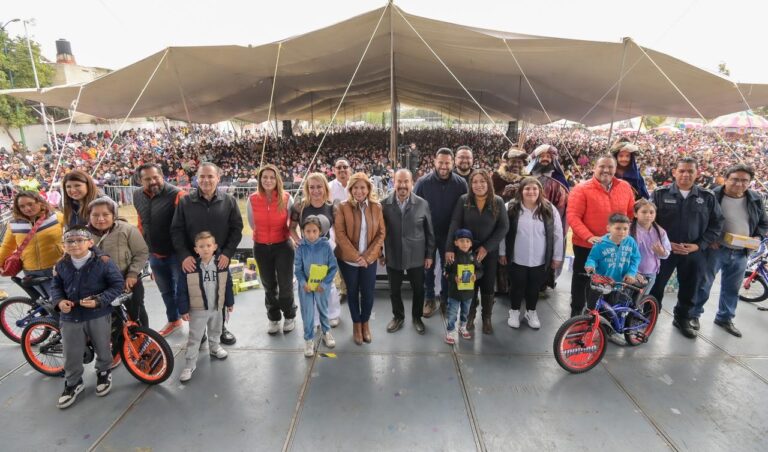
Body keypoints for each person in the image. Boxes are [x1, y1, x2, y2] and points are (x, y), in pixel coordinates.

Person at [689, 164, 768, 337]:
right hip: (715, 249)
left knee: (732, 288)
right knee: (703, 284)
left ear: (750, 182)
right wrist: (711, 239)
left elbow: (763, 223)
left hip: (741, 251)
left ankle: (725, 317)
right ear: (726, 179)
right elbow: (700, 221)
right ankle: (693, 315)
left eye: (744, 180)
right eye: (735, 179)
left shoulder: (755, 198)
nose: (739, 184)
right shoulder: (712, 196)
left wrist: (758, 237)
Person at [50, 226, 124, 409]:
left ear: (90, 243)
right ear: (64, 245)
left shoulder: (104, 262)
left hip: (98, 314)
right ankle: (73, 382)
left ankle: (104, 372)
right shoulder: (61, 265)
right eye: (69, 241)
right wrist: (59, 302)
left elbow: (117, 285)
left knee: (103, 346)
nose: (74, 244)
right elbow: (56, 287)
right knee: (71, 352)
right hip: (71, 317)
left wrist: (100, 300)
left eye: (79, 240)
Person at [650, 157, 723, 339]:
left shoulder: (707, 197)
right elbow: (648, 222)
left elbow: (717, 225)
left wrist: (698, 245)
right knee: (656, 285)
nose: (685, 174)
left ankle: (682, 318)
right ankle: (648, 314)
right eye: (682, 170)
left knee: (691, 286)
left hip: (693, 251)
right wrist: (665, 243)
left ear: (697, 173)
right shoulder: (660, 194)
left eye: (690, 171)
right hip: (664, 251)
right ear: (674, 172)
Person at [171, 162, 243, 342]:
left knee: (219, 296)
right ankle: (199, 331)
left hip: (219, 260)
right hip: (193, 262)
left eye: (210, 176)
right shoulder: (186, 202)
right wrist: (185, 256)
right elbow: (176, 230)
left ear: (218, 178)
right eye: (202, 176)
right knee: (196, 297)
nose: (206, 180)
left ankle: (221, 329)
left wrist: (227, 253)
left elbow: (236, 230)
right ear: (196, 178)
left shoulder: (229, 201)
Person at [566, 155, 635, 317]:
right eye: (602, 166)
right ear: (594, 168)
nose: (606, 170)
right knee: (582, 279)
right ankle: (576, 312)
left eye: (610, 167)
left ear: (615, 169)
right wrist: (588, 236)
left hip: (615, 246)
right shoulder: (581, 189)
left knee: (610, 279)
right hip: (587, 246)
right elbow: (573, 216)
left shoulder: (625, 187)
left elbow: (631, 213)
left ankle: (601, 314)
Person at [446, 169, 509, 334]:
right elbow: (455, 223)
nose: (479, 185)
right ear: (470, 184)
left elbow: (504, 227)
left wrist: (487, 247)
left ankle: (486, 317)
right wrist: (450, 248)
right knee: (470, 284)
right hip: (467, 251)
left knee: (488, 285)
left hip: (489, 252)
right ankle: (470, 316)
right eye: (475, 182)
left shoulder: (498, 201)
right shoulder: (463, 201)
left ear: (488, 183)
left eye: (482, 181)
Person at [133, 163, 189, 337]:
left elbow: (188, 226)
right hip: (154, 254)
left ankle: (197, 330)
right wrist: (145, 253)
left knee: (185, 292)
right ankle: (174, 320)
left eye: (155, 177)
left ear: (162, 176)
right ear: (140, 180)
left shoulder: (178, 195)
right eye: (147, 179)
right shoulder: (137, 195)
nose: (152, 181)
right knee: (166, 291)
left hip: (177, 255)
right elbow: (141, 223)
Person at [502, 177, 563, 329]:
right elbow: (502, 232)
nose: (531, 192)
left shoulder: (549, 208)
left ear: (540, 191)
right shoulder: (510, 207)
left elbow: (557, 234)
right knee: (517, 285)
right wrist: (502, 252)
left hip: (540, 258)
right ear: (521, 191)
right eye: (527, 188)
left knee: (534, 287)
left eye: (535, 188)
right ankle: (514, 311)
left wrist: (557, 256)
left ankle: (531, 312)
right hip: (517, 257)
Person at [414, 148, 468, 317]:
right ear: (434, 162)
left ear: (452, 163)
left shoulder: (461, 184)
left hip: (450, 235)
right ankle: (429, 298)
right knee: (427, 269)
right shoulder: (423, 182)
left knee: (449, 268)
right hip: (427, 235)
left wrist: (459, 237)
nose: (444, 166)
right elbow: (414, 208)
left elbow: (464, 212)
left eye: (447, 163)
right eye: (441, 162)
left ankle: (445, 299)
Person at [380, 169, 435, 335]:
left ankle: (417, 317)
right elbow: (378, 232)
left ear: (412, 183)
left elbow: (429, 232)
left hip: (416, 255)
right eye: (399, 181)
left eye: (406, 182)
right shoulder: (383, 204)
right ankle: (398, 317)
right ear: (393, 182)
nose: (403, 185)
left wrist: (429, 255)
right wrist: (379, 253)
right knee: (394, 290)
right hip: (393, 253)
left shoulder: (422, 203)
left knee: (419, 289)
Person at [335, 172, 385, 345]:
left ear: (368, 188)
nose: (359, 191)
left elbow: (381, 234)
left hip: (369, 261)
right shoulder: (342, 207)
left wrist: (368, 257)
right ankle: (356, 324)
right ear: (350, 189)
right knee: (352, 292)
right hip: (349, 261)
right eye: (355, 187)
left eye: (362, 187)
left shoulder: (377, 207)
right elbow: (340, 235)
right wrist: (357, 257)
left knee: (368, 293)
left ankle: (365, 323)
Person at [178, 231, 235, 383]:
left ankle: (215, 347)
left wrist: (229, 302)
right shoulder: (190, 267)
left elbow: (228, 283)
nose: (205, 249)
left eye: (209, 245)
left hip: (217, 307)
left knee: (216, 329)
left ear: (215, 247)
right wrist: (183, 309)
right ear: (196, 249)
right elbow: (182, 289)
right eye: (201, 246)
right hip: (198, 310)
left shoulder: (221, 265)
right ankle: (190, 364)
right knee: (195, 337)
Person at [247, 164, 297, 335]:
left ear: (277, 179)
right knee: (269, 285)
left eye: (271, 177)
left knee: (285, 285)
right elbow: (252, 223)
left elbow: (292, 223)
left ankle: (290, 315)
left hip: (283, 246)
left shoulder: (286, 197)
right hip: (261, 247)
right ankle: (273, 318)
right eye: (265, 177)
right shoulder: (252, 198)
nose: (268, 180)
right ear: (260, 180)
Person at [289, 172, 342, 328]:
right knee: (308, 285)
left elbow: (338, 230)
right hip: (306, 252)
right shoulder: (299, 206)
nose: (316, 190)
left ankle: (332, 314)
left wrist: (336, 249)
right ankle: (315, 317)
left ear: (325, 187)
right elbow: (291, 228)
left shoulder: (333, 207)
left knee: (328, 284)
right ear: (307, 188)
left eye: (319, 186)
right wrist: (298, 240)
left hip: (325, 251)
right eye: (312, 187)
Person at [87, 197, 150, 327]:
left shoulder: (127, 229)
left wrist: (132, 274)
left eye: (106, 214)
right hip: (101, 283)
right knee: (112, 317)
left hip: (127, 279)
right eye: (95, 215)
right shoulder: (83, 235)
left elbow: (141, 252)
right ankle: (119, 345)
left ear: (114, 215)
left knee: (136, 312)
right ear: (89, 216)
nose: (100, 219)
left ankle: (144, 342)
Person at [0, 191, 64, 298]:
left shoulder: (57, 217)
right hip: (31, 271)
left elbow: (73, 233)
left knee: (60, 301)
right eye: (22, 206)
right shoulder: (14, 224)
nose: (27, 209)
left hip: (57, 267)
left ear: (40, 202)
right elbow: (7, 247)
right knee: (48, 302)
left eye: (30, 204)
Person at [294, 216, 338, 357]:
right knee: (307, 312)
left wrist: (324, 284)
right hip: (306, 286)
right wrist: (303, 283)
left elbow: (333, 267)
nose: (311, 234)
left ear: (320, 231)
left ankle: (326, 332)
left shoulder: (326, 246)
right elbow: (298, 269)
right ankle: (308, 339)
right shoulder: (300, 248)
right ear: (302, 231)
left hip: (321, 286)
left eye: (314, 231)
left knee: (323, 309)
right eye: (308, 231)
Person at [443, 229, 482, 344]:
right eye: (461, 241)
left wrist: (476, 276)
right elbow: (445, 273)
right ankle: (450, 331)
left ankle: (462, 326)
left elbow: (481, 270)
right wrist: (453, 277)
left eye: (467, 241)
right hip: (454, 293)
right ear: (456, 243)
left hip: (468, 293)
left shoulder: (473, 258)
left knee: (465, 312)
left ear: (471, 244)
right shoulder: (451, 258)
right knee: (452, 312)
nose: (465, 244)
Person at [584, 214, 641, 285]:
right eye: (618, 228)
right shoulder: (600, 243)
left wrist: (631, 273)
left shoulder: (631, 242)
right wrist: (590, 265)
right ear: (608, 228)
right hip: (602, 283)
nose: (622, 231)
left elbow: (636, 259)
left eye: (625, 229)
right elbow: (592, 258)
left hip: (623, 283)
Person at [630, 199, 671, 296]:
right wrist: (633, 272)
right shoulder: (628, 230)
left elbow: (666, 252)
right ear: (635, 214)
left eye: (652, 212)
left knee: (640, 301)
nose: (648, 215)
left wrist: (662, 253)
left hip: (650, 273)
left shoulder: (660, 232)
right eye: (644, 212)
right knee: (624, 300)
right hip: (630, 272)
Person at [329, 158, 351, 303]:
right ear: (334, 170)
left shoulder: (355, 185)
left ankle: (355, 289)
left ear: (350, 169)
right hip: (336, 231)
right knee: (340, 261)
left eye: (345, 167)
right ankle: (343, 289)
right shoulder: (329, 187)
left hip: (355, 230)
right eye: (339, 167)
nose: (342, 170)